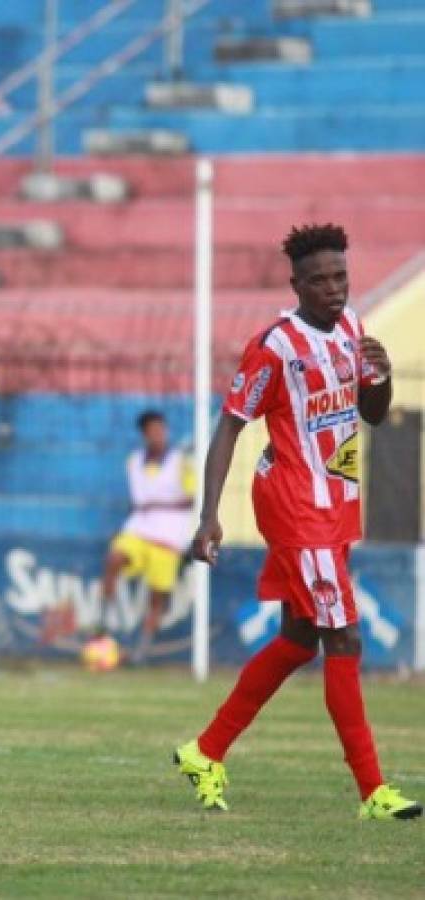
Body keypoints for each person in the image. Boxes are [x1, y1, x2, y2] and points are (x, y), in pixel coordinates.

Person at [174, 223, 422, 821]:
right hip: (296, 505)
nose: (333, 289)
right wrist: (209, 515)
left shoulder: (355, 328)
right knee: (345, 638)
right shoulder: (274, 346)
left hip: (335, 503)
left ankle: (205, 751)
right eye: (319, 280)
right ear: (297, 285)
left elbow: (374, 413)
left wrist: (381, 376)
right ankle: (373, 791)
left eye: (340, 276)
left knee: (299, 639)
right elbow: (230, 422)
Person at [99, 410, 194, 663]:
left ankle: (140, 650)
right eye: (152, 431)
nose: (158, 435)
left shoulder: (179, 462)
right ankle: (103, 625)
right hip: (139, 529)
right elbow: (137, 501)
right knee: (114, 558)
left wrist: (158, 504)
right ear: (144, 435)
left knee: (157, 597)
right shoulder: (134, 462)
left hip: (169, 536)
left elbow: (192, 498)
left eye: (161, 430)